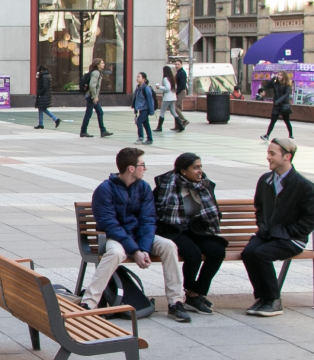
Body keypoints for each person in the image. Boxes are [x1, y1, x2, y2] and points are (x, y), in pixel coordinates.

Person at [84, 146, 190, 323]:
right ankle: (88, 303)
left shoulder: (144, 188)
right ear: (131, 168)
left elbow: (148, 220)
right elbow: (110, 225)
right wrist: (135, 251)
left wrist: (144, 249)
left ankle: (176, 302)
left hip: (139, 238)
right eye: (142, 164)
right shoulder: (105, 190)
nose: (145, 168)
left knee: (169, 246)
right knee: (115, 253)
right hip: (116, 238)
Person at [241, 135, 314, 316]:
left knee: (261, 254)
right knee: (248, 253)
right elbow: (259, 207)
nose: (268, 157)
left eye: (272, 154)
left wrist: (287, 232)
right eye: (268, 153)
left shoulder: (303, 185)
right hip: (268, 234)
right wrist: (263, 226)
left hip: (292, 239)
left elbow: (312, 217)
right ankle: (263, 298)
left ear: (287, 156)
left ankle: (275, 300)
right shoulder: (265, 180)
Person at [154, 152, 226, 314]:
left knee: (217, 250)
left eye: (200, 167)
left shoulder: (204, 185)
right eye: (195, 168)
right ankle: (191, 293)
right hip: (172, 229)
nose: (200, 171)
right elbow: (157, 213)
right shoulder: (166, 185)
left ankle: (195, 293)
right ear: (183, 171)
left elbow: (213, 212)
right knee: (193, 254)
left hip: (196, 229)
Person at [79, 57, 112, 138]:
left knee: (100, 112)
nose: (103, 64)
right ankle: (83, 131)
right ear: (98, 65)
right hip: (91, 96)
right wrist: (95, 97)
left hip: (91, 95)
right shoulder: (96, 73)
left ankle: (103, 130)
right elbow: (92, 85)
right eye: (102, 63)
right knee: (89, 114)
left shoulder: (96, 72)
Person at [262, 71, 294, 141]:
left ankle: (291, 135)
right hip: (276, 105)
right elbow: (267, 86)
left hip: (284, 104)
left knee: (287, 121)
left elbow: (286, 94)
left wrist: (278, 101)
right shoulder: (275, 83)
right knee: (273, 121)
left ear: (284, 77)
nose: (279, 76)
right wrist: (273, 78)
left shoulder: (287, 85)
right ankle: (267, 135)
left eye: (281, 75)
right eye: (278, 75)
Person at [157, 66, 185, 133]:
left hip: (167, 97)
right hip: (173, 97)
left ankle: (159, 127)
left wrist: (159, 87)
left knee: (162, 112)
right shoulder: (173, 78)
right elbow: (174, 87)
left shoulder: (165, 79)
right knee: (173, 112)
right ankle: (181, 126)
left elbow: (167, 89)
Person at [132, 71, 156, 144]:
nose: (137, 78)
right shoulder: (138, 88)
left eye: (139, 77)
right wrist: (135, 109)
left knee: (139, 121)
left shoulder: (146, 88)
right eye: (137, 77)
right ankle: (149, 139)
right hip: (141, 109)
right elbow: (136, 99)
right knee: (146, 124)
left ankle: (140, 138)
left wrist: (151, 111)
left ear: (144, 79)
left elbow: (150, 100)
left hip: (145, 108)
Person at [34, 64, 60, 129]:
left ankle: (55, 119)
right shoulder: (47, 75)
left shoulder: (44, 77)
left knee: (43, 109)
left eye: (39, 71)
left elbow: (44, 87)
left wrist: (39, 92)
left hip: (43, 95)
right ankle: (41, 123)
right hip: (45, 95)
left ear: (41, 70)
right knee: (41, 108)